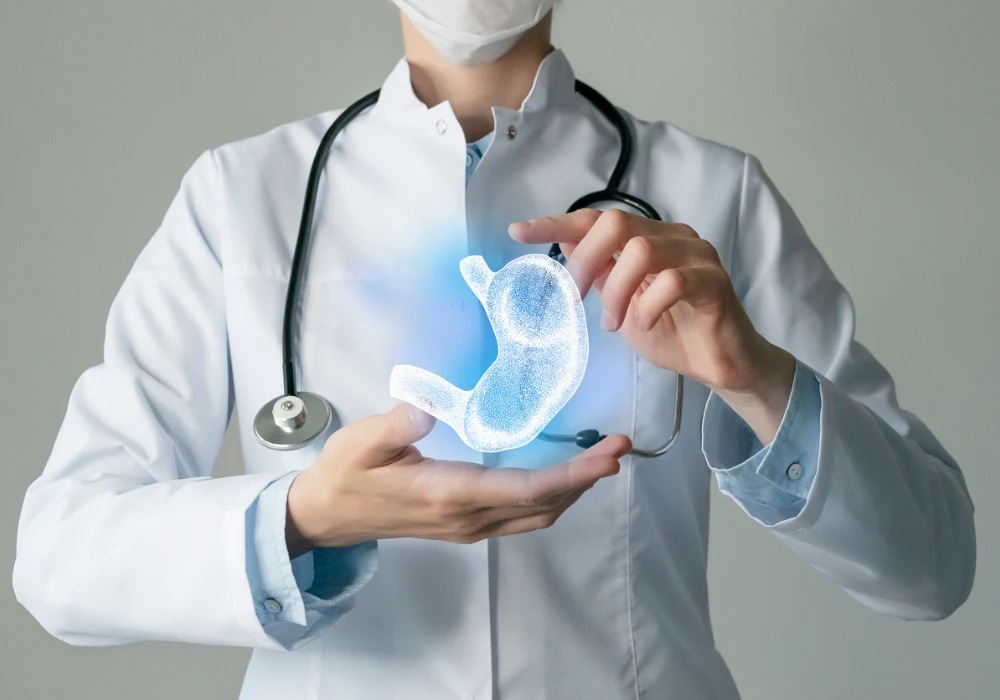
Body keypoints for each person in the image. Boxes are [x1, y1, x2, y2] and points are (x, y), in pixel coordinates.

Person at [13, 2, 976, 699]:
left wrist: (757, 376)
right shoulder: (241, 196)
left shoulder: (711, 198)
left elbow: (932, 566)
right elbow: (59, 560)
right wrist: (304, 516)